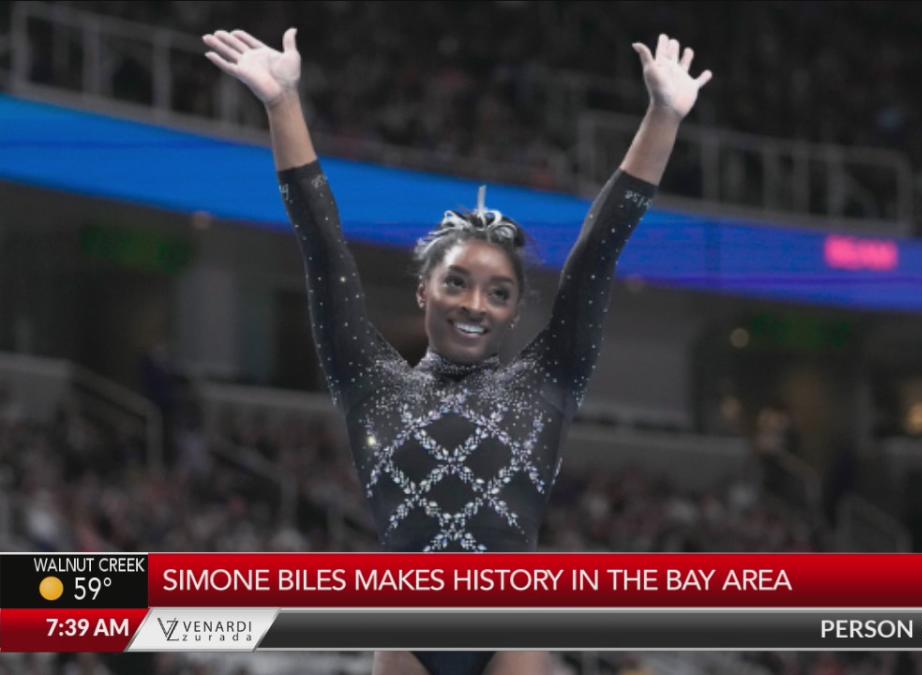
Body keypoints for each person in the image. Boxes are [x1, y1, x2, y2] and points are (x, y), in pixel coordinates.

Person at [202, 25, 711, 675]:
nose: (475, 304)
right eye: (458, 283)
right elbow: (320, 240)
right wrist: (282, 104)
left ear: (514, 309)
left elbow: (598, 250)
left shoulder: (548, 379)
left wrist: (663, 117)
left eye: (498, 292)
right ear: (424, 291)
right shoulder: (369, 381)